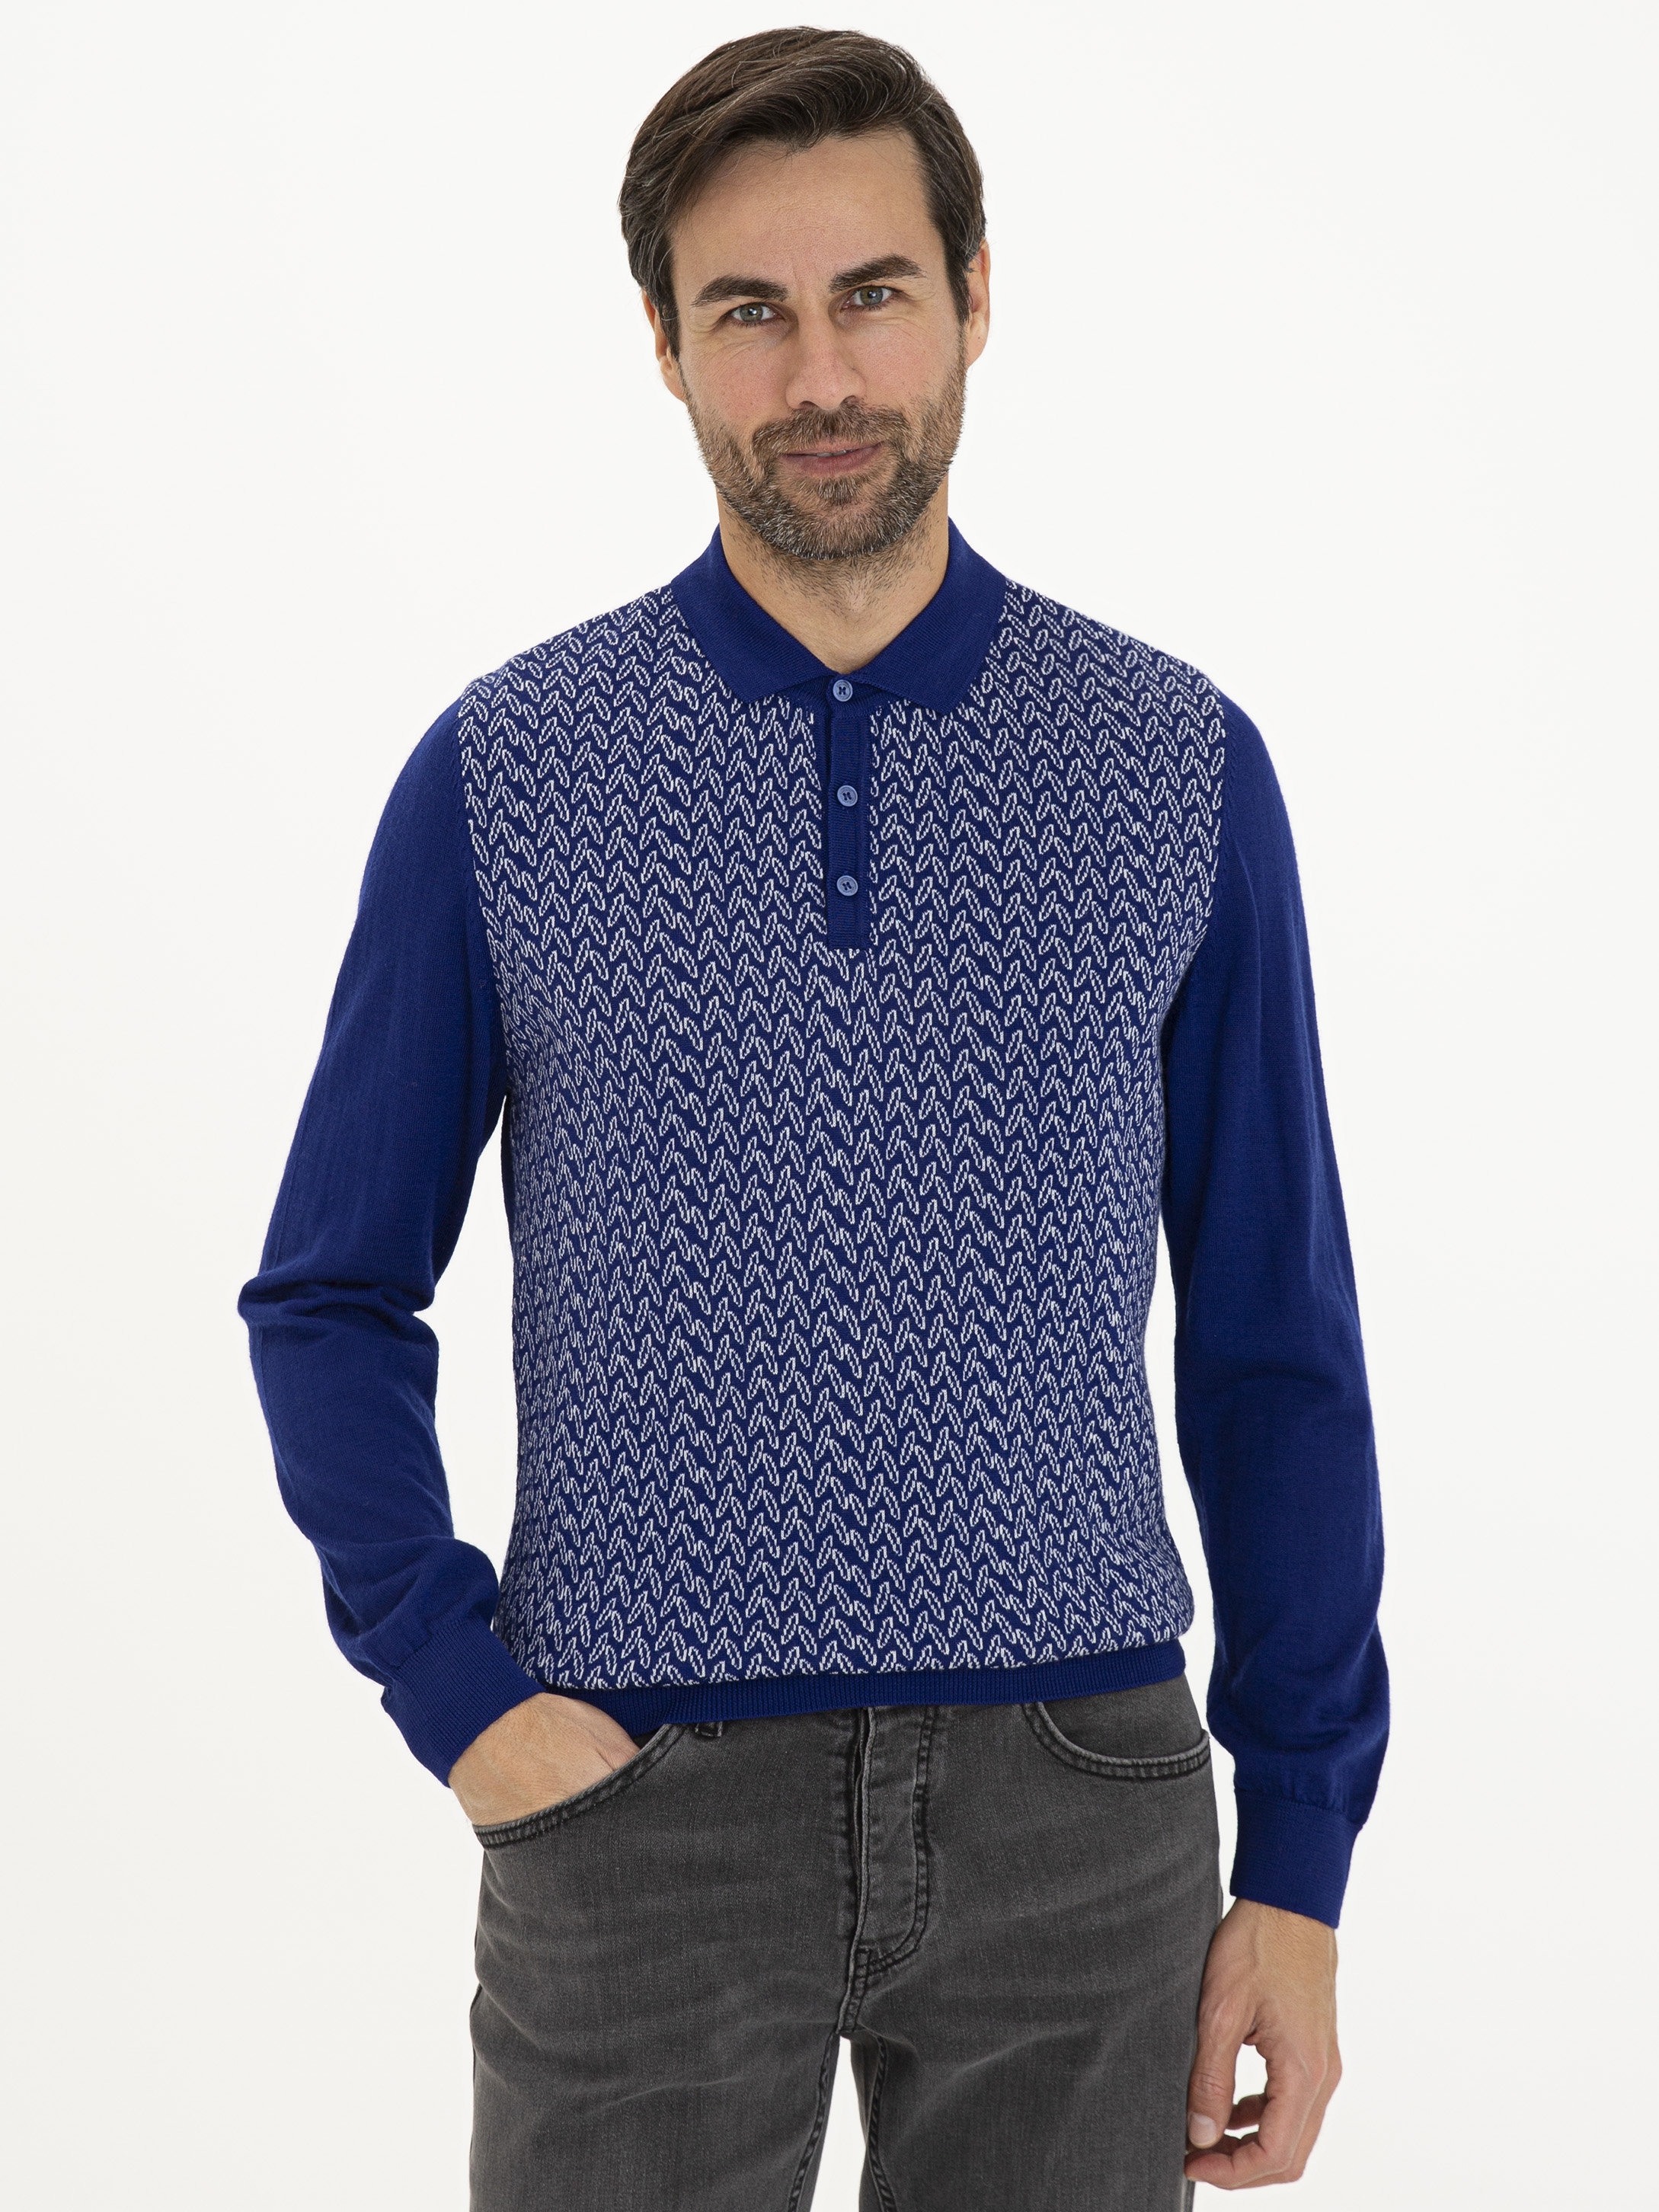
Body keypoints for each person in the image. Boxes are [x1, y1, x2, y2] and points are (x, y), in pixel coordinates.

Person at [240, 27, 1387, 2209]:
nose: (823, 375)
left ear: (975, 297)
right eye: (749, 312)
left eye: (873, 293)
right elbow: (328, 1293)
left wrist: (1303, 1858)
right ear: (665, 345)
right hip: (632, 1803)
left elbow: (1275, 1347)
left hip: (1083, 1809)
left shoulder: (1174, 766)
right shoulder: (506, 774)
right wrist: (460, 1694)